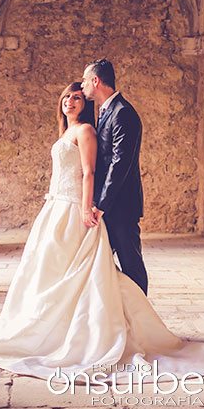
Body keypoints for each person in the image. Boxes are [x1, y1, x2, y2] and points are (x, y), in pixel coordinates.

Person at [0, 81, 204, 379]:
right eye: (67, 97)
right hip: (56, 207)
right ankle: (47, 330)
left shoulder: (86, 130)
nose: (71, 101)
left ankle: (122, 326)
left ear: (86, 101)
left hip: (74, 208)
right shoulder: (67, 130)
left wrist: (88, 209)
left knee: (85, 272)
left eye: (77, 97)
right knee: (48, 269)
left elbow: (89, 172)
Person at [80, 59, 149, 295]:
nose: (82, 85)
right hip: (109, 205)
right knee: (98, 263)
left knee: (131, 263)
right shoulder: (106, 111)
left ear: (96, 81)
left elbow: (120, 163)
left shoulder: (123, 113)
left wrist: (102, 204)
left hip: (121, 206)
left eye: (85, 80)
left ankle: (141, 319)